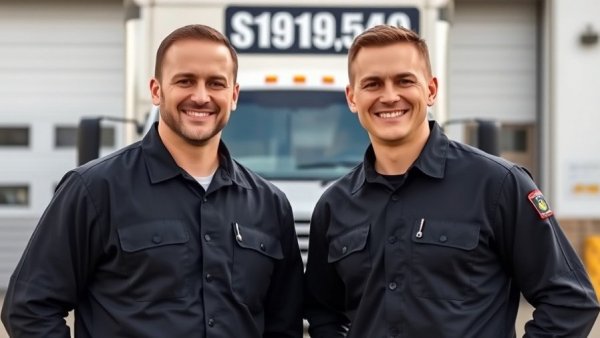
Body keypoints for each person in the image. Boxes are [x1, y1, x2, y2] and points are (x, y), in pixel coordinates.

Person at [1, 24, 303, 337]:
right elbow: (29, 309)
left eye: (215, 83)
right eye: (185, 81)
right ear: (156, 90)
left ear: (234, 95)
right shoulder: (94, 190)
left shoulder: (269, 204)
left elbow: (285, 325)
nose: (201, 97)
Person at [303, 25, 599, 337]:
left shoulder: (498, 185)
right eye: (373, 84)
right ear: (352, 97)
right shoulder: (335, 205)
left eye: (404, 81)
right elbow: (322, 312)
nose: (389, 96)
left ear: (431, 90)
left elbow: (570, 300)